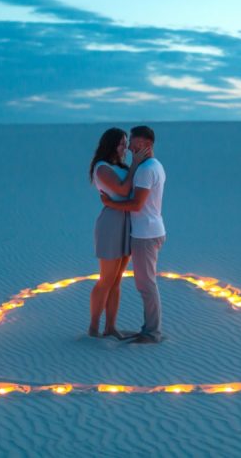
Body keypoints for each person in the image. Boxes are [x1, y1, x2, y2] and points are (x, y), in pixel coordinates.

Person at [101, 125, 166, 344]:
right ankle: (149, 329)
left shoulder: (147, 169)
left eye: (134, 143)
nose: (129, 147)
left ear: (147, 145)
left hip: (146, 234)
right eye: (128, 142)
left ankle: (152, 333)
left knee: (146, 285)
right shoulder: (154, 165)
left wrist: (111, 203)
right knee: (145, 284)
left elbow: (137, 205)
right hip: (148, 231)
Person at [89, 128, 149, 339]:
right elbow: (123, 190)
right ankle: (94, 328)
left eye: (126, 143)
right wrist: (134, 165)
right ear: (111, 144)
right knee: (106, 279)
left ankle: (110, 327)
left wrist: (134, 165)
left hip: (127, 220)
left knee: (117, 281)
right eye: (122, 143)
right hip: (112, 222)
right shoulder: (101, 168)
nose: (126, 148)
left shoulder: (121, 167)